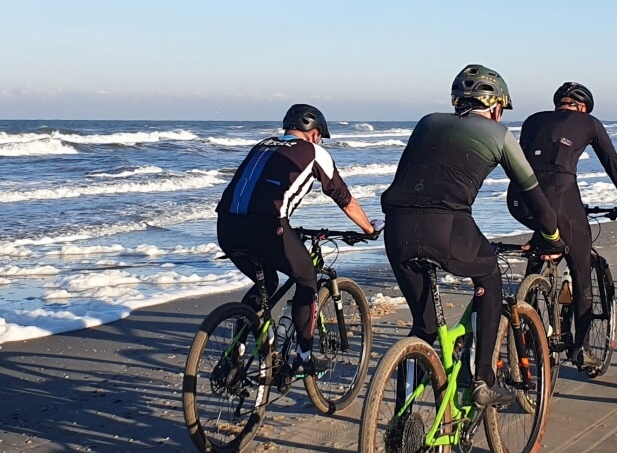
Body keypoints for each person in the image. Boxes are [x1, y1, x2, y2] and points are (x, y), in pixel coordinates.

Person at [380, 64, 566, 408]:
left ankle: (401, 417)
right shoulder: (499, 135)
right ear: (495, 106)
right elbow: (538, 202)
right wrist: (552, 238)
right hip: (447, 226)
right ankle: (482, 378)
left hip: (397, 228)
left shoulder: (426, 123)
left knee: (425, 328)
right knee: (489, 275)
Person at [215, 103, 377, 375]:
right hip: (267, 227)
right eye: (320, 137)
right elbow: (343, 198)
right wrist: (369, 229)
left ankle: (237, 352)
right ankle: (303, 357)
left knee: (265, 282)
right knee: (307, 279)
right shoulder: (315, 152)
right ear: (314, 133)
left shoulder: (262, 145)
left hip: (227, 226)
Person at [513, 82, 617, 370]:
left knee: (545, 233)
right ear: (583, 107)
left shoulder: (532, 120)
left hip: (519, 199)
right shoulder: (589, 122)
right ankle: (581, 348)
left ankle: (527, 308)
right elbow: (613, 164)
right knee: (581, 267)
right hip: (560, 198)